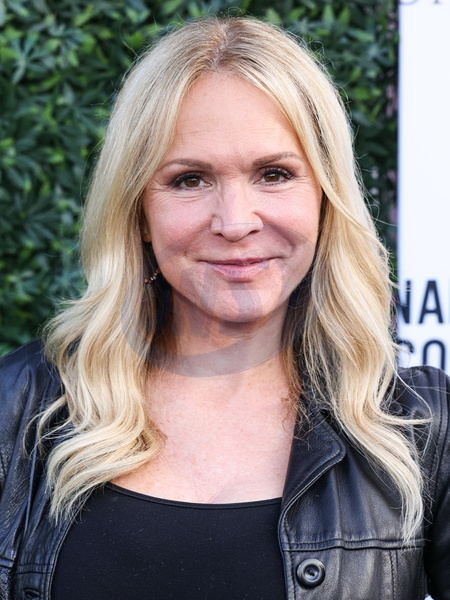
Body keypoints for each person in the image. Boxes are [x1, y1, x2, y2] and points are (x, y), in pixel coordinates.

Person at [0, 16, 449, 600]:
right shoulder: (18, 412)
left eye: (274, 174)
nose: (236, 222)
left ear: (325, 196)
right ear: (138, 211)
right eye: (190, 180)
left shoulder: (421, 429)